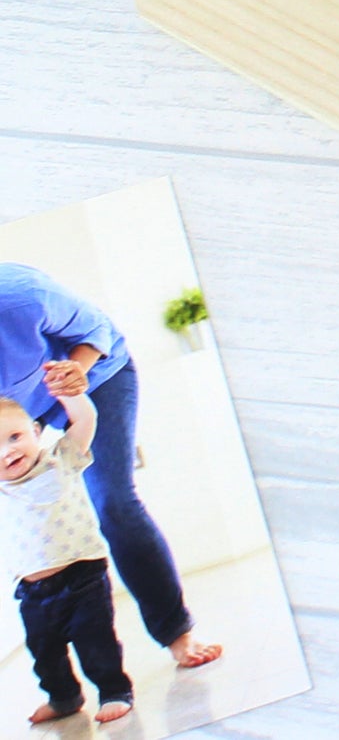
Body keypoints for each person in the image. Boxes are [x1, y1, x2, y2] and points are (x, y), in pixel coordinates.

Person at [0, 267, 220, 673]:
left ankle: (177, 633)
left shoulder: (21, 295)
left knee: (112, 501)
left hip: (95, 377)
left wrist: (77, 371)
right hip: (17, 418)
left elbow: (94, 331)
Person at [0, 388, 133, 725]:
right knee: (43, 651)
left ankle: (114, 691)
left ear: (35, 431)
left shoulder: (61, 459)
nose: (7, 451)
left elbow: (86, 419)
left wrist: (69, 393)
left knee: (96, 641)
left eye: (14, 437)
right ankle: (63, 698)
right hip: (32, 591)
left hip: (82, 576)